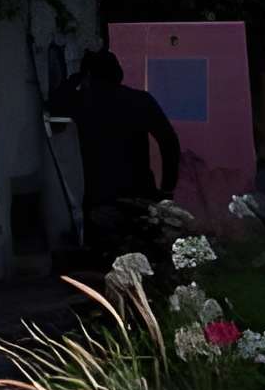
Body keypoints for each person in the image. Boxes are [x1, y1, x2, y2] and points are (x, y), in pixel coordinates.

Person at [66, 49, 182, 260]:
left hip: (100, 197)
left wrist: (77, 77)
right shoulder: (140, 100)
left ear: (90, 76)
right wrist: (167, 188)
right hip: (139, 192)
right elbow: (169, 142)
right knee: (146, 257)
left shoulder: (82, 102)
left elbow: (54, 104)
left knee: (106, 262)